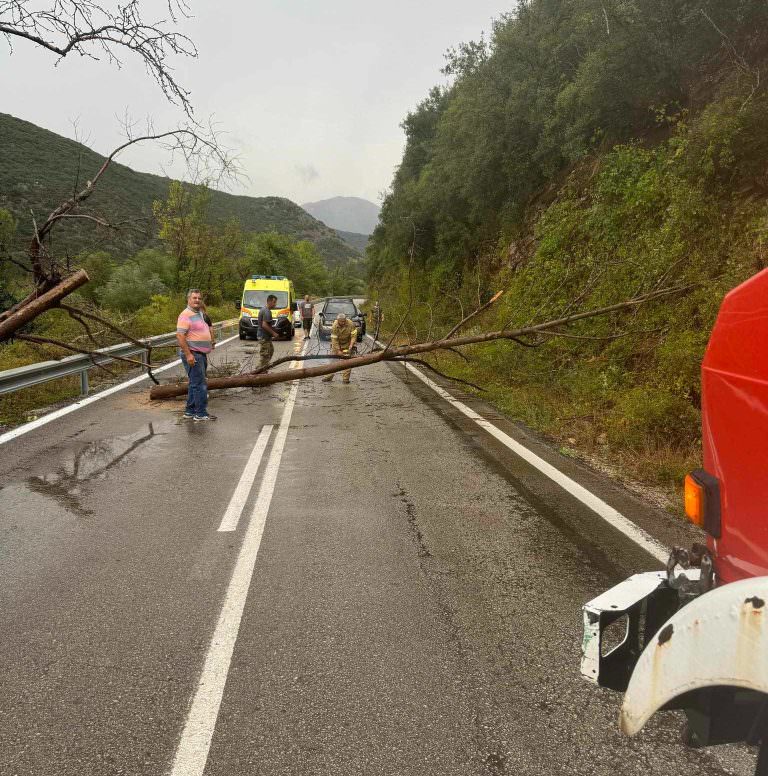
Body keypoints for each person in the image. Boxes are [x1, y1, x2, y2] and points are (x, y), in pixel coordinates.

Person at [176, 289, 216, 421]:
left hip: (200, 353)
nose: (197, 300)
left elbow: (207, 328)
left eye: (199, 298)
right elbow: (180, 335)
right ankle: (201, 414)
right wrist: (188, 355)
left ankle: (190, 411)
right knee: (200, 385)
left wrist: (210, 341)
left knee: (194, 384)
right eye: (194, 298)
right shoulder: (185, 315)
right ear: (189, 299)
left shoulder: (199, 313)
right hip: (193, 354)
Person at [322, 312, 358, 384]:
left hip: (348, 343)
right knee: (333, 361)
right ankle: (329, 376)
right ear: (338, 320)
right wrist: (338, 350)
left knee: (347, 362)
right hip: (337, 344)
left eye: (344, 321)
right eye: (341, 321)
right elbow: (334, 340)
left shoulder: (351, 324)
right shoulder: (334, 326)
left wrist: (351, 346)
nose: (343, 323)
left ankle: (345, 379)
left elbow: (354, 336)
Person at [257, 294, 280, 368]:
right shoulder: (266, 311)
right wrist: (274, 333)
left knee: (271, 351)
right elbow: (264, 325)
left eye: (275, 302)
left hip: (266, 337)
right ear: (269, 301)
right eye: (274, 302)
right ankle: (259, 373)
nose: (275, 304)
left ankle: (263, 369)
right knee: (265, 356)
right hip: (264, 337)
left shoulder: (265, 309)